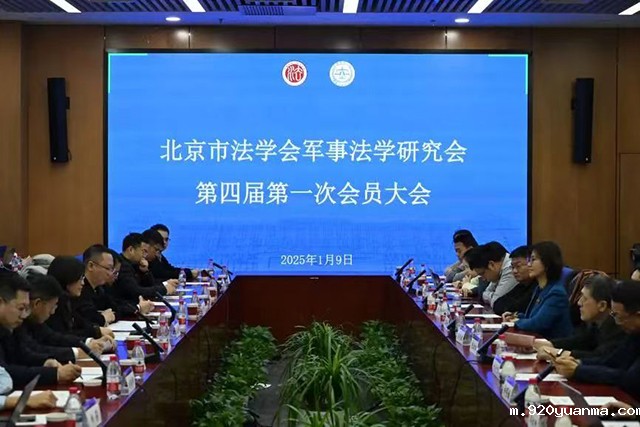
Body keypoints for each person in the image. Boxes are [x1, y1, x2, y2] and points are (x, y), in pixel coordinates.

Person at [553, 280, 640, 400]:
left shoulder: (626, 330)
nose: (617, 323)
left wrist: (579, 371)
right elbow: (612, 361)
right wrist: (578, 363)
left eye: (618, 317)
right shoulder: (635, 332)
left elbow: (631, 380)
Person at [0, 273, 80, 388]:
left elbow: (22, 354)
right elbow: (4, 375)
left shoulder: (8, 327)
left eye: (26, 309)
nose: (24, 315)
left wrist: (45, 362)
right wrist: (54, 374)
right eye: (20, 308)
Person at [18, 274, 108, 365]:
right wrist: (77, 352)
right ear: (37, 303)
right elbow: (34, 349)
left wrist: (87, 343)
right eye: (52, 307)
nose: (52, 312)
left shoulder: (35, 320)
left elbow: (53, 337)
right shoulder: (18, 323)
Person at [534, 274, 624, 360]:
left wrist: (558, 353)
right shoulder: (598, 323)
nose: (579, 302)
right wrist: (546, 344)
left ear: (602, 305)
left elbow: (600, 357)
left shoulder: (618, 329)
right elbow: (582, 341)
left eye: (585, 298)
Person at [503, 241, 573, 339]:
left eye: (533, 260)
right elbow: (531, 317)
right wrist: (515, 316)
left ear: (547, 263)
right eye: (529, 260)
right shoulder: (539, 289)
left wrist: (515, 323)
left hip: (552, 345)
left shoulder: (556, 293)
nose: (529, 264)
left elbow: (537, 324)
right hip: (537, 341)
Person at [46, 256, 113, 340]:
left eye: (83, 278)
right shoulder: (54, 303)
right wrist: (93, 336)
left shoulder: (68, 300)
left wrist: (96, 330)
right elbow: (63, 334)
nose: (82, 283)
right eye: (80, 279)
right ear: (68, 278)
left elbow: (80, 323)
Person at [109, 232, 174, 306]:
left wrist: (145, 272)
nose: (145, 255)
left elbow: (149, 286)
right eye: (143, 251)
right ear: (131, 250)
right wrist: (164, 289)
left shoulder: (134, 264)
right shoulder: (123, 266)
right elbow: (136, 292)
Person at [465, 242, 518, 314]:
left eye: (482, 274)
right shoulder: (498, 270)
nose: (483, 279)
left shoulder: (509, 269)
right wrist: (492, 295)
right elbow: (485, 292)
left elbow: (496, 301)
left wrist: (491, 295)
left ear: (491, 265)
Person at [492, 246, 536, 315]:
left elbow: (520, 307)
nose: (514, 271)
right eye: (512, 267)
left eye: (518, 266)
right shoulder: (521, 285)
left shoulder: (537, 287)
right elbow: (497, 305)